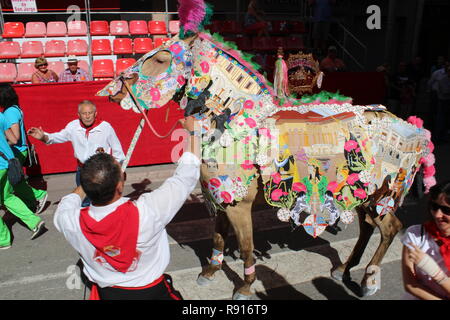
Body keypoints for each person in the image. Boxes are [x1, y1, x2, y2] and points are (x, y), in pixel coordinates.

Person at [53, 116, 201, 299]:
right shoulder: (148, 211)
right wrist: (195, 133)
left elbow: (71, 199)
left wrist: (93, 178)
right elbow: (185, 177)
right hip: (152, 293)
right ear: (120, 185)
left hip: (108, 294)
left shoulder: (68, 220)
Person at [27, 100, 126, 207]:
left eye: (90, 113)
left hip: (101, 172)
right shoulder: (73, 126)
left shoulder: (105, 127)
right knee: (84, 202)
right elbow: (56, 137)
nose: (87, 116)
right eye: (84, 113)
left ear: (96, 113)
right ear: (78, 115)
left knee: (101, 201)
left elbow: (118, 152)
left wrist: (117, 171)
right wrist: (43, 137)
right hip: (82, 171)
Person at [0, 112, 46, 250]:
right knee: (7, 197)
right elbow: (14, 140)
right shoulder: (1, 115)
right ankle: (34, 222)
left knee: (6, 197)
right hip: (7, 162)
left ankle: (3, 239)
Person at [0, 84, 48, 214]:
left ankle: (37, 196)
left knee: (13, 182)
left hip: (16, 151)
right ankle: (33, 200)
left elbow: (14, 136)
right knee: (16, 181)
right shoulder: (15, 109)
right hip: (20, 150)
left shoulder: (9, 112)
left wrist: (3, 144)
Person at [401, 181, 450, 300]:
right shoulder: (415, 235)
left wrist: (434, 271)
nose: (438, 215)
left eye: (446, 210)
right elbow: (410, 285)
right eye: (435, 207)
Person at [433, 64, 450, 144]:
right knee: (440, 120)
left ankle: (444, 137)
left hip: (447, 101)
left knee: (446, 120)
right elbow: (445, 91)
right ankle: (437, 137)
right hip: (443, 101)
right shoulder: (443, 80)